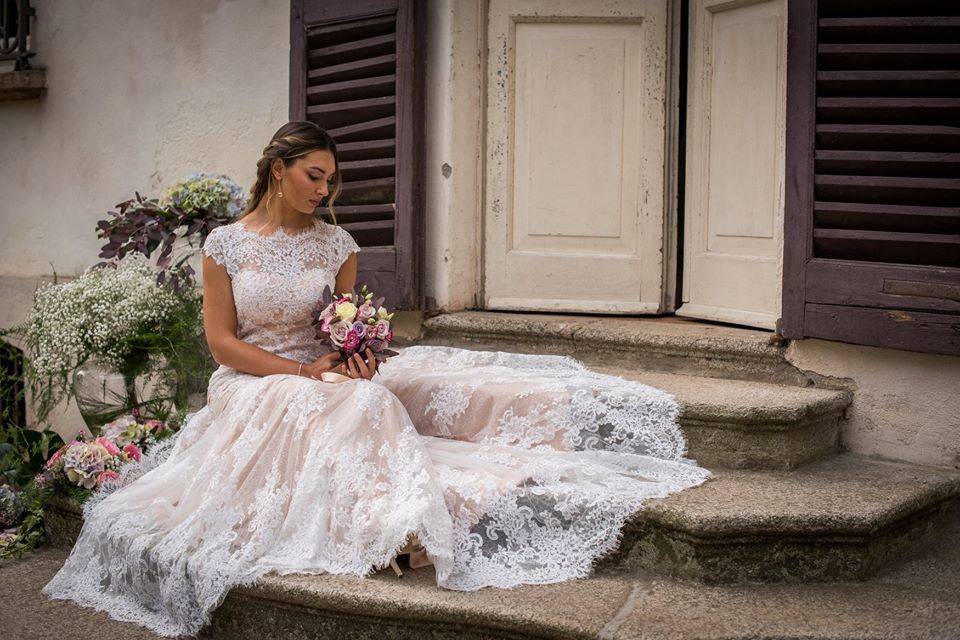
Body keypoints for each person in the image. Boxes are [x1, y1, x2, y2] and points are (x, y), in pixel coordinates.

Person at [42, 121, 711, 638]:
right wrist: (304, 371)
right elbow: (221, 344)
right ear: (278, 170)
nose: (323, 190)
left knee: (372, 392)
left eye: (330, 180)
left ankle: (401, 517)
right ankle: (392, 525)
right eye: (313, 175)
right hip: (256, 379)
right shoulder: (227, 245)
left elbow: (345, 324)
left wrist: (354, 353)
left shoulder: (338, 246)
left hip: (323, 370)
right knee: (357, 405)